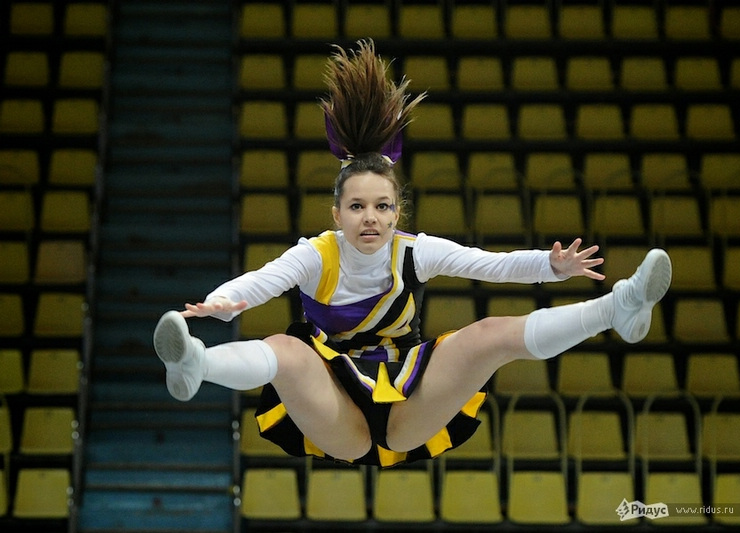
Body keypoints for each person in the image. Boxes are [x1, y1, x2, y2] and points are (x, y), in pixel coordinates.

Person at [153, 40, 672, 468]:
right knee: (284, 351)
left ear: (398, 210)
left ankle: (619, 309)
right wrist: (219, 304)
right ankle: (195, 364)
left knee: (489, 335)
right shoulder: (315, 256)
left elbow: (489, 264)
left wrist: (551, 266)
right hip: (336, 410)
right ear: (336, 213)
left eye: (382, 205)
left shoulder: (415, 252)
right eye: (357, 206)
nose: (370, 217)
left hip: (409, 402)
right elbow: (261, 281)